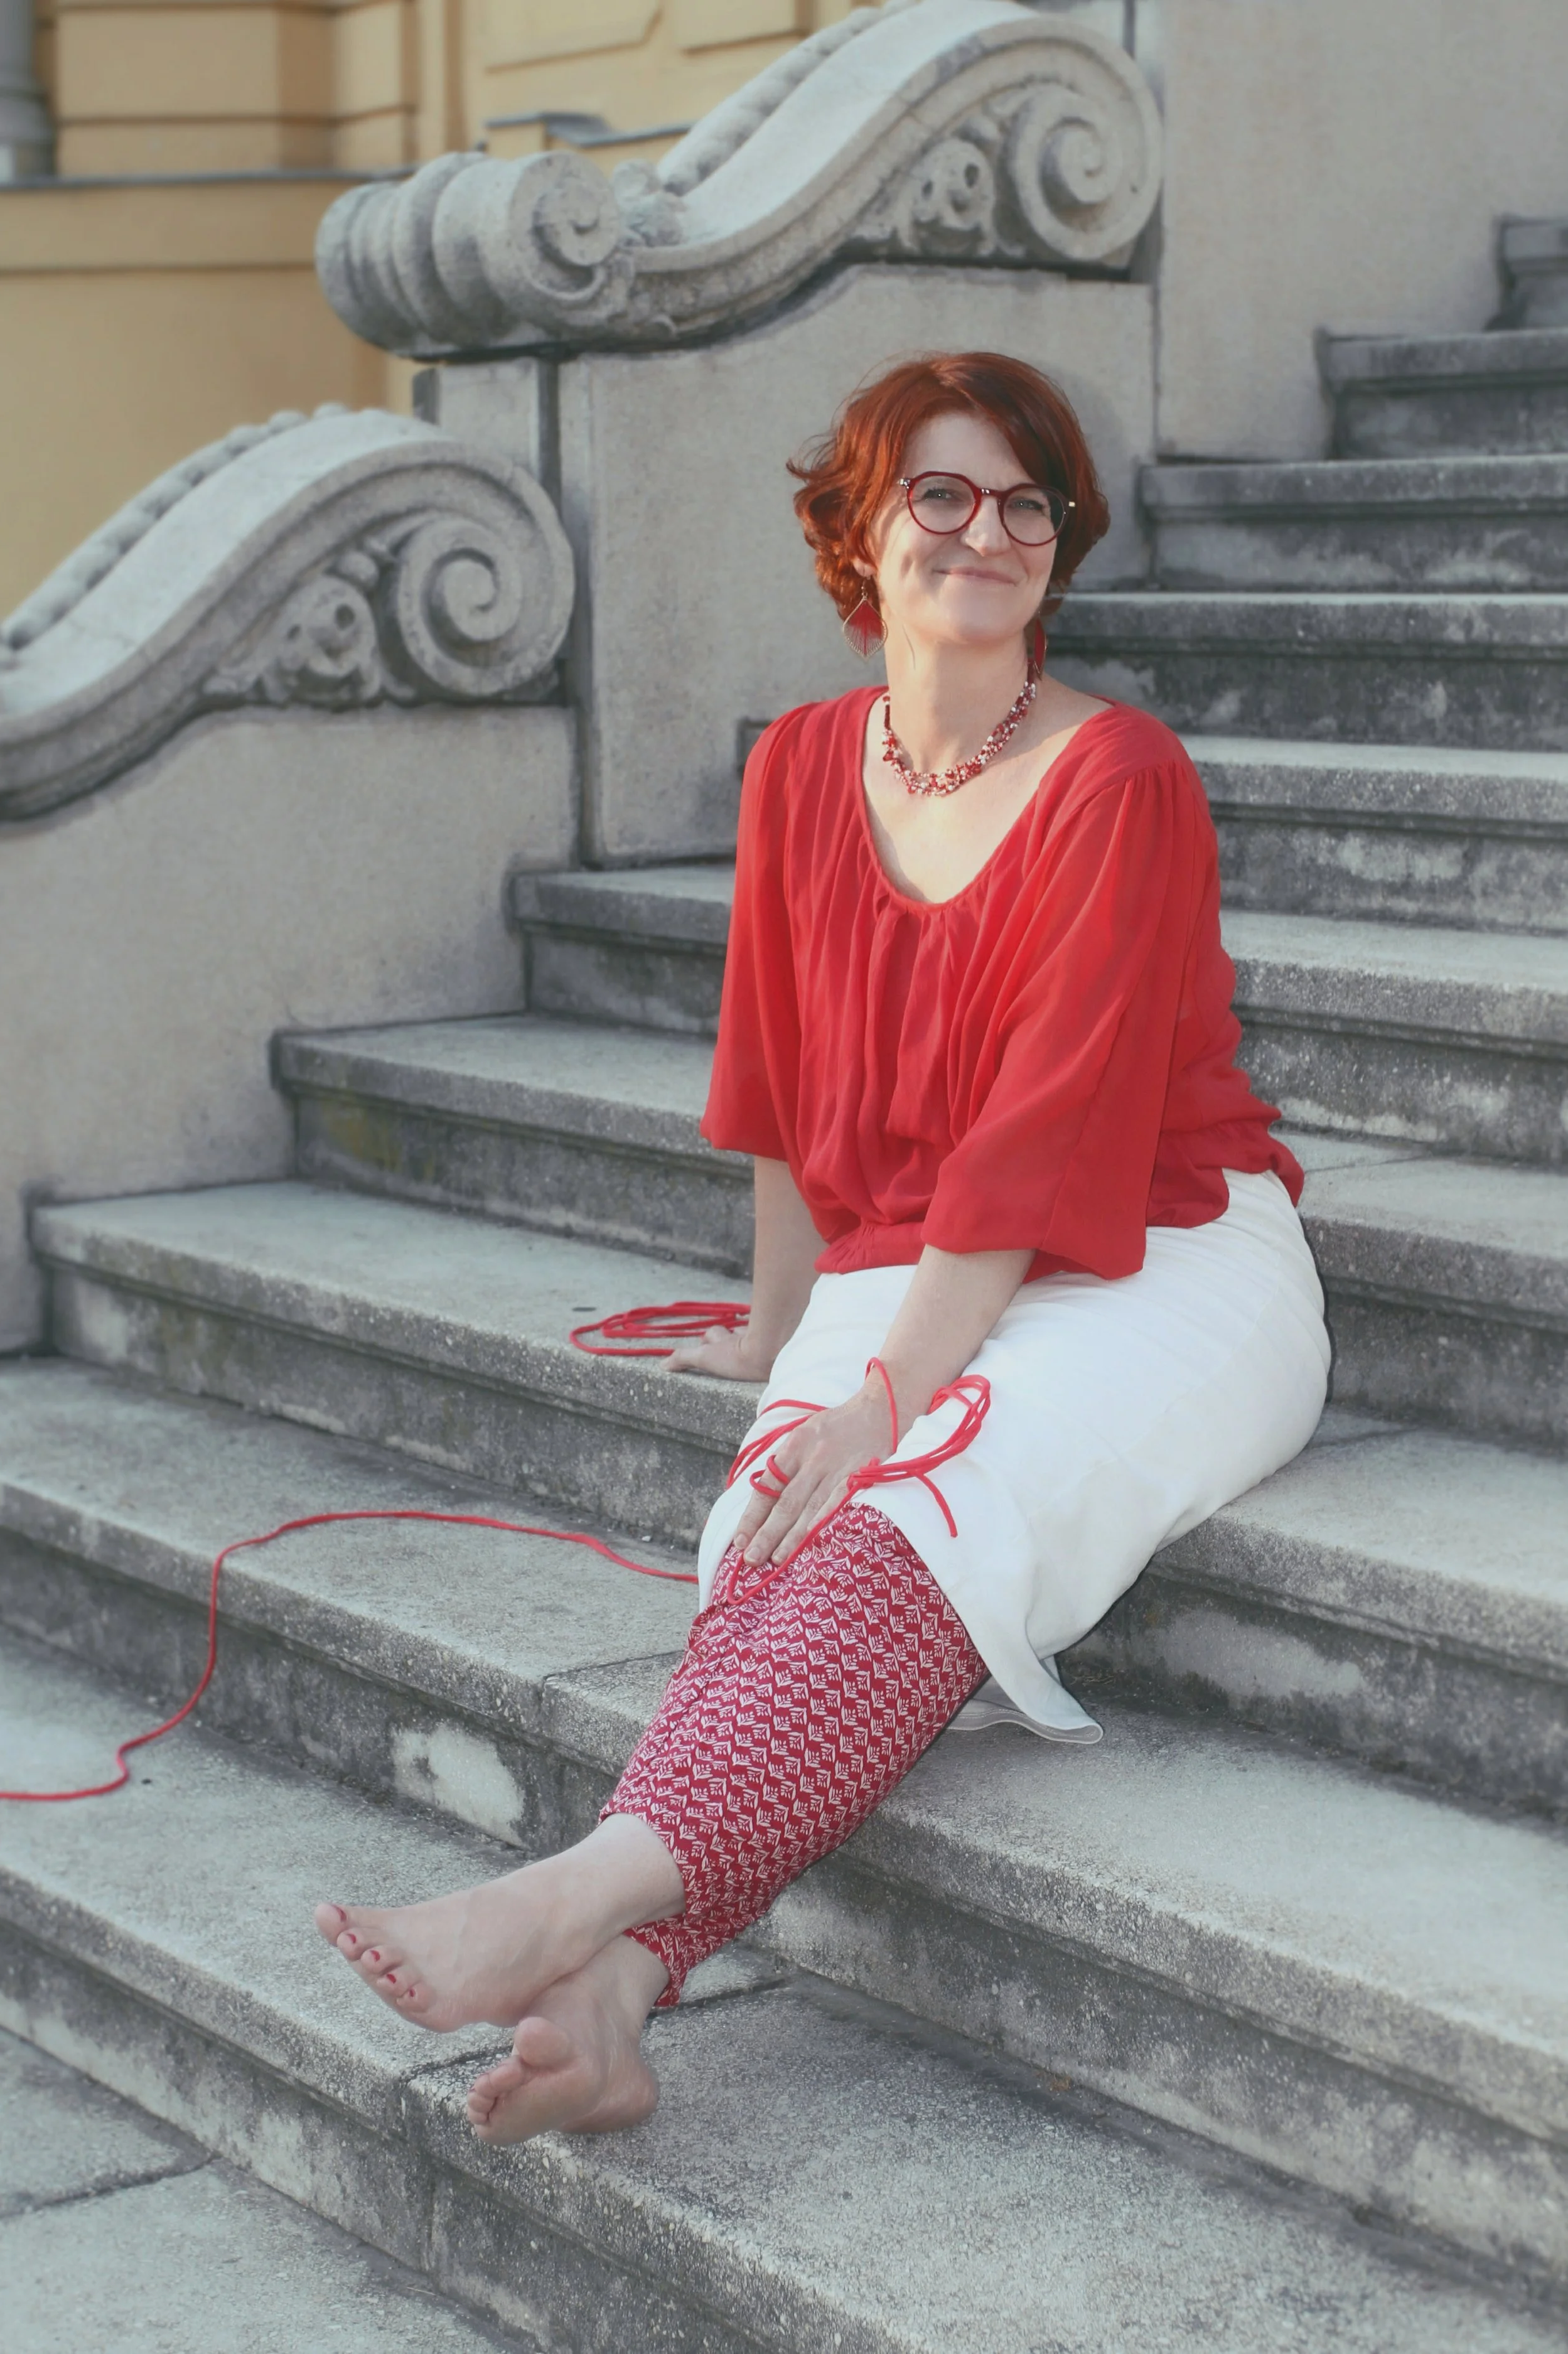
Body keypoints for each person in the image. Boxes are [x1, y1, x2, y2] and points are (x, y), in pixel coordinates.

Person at [313, 352, 1330, 2144]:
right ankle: (621, 1998)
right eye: (938, 493)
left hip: (1163, 1256)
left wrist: (876, 1394)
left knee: (920, 1493)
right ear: (860, 531)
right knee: (764, 1534)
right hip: (908, 1266)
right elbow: (780, 1087)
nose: (984, 529)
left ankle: (567, 1896)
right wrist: (785, 1339)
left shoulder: (1119, 778)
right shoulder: (799, 768)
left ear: (1058, 543)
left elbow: (1036, 1150)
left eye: (1024, 501)